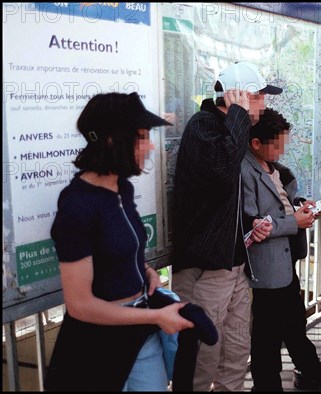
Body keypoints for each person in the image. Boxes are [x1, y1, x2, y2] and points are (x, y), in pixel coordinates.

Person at [45, 92, 194, 391]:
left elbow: (121, 247)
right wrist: (157, 316)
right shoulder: (77, 205)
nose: (150, 145)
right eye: (141, 136)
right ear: (112, 140)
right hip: (95, 349)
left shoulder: (122, 189)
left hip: (140, 336)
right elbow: (79, 305)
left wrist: (144, 271)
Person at [171, 61, 281, 391]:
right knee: (204, 350)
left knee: (235, 346)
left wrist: (250, 225)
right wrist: (237, 114)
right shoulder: (203, 125)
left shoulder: (231, 129)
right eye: (260, 96)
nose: (264, 103)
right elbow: (220, 171)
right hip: (206, 265)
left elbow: (227, 194)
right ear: (242, 96)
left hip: (234, 259)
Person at [241, 108, 321, 391]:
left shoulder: (273, 169)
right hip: (265, 266)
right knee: (267, 332)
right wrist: (295, 221)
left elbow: (280, 208)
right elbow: (253, 223)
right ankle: (269, 383)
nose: (282, 150)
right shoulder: (245, 171)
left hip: (284, 260)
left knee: (292, 320)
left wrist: (298, 210)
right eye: (277, 144)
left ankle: (308, 368)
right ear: (256, 144)